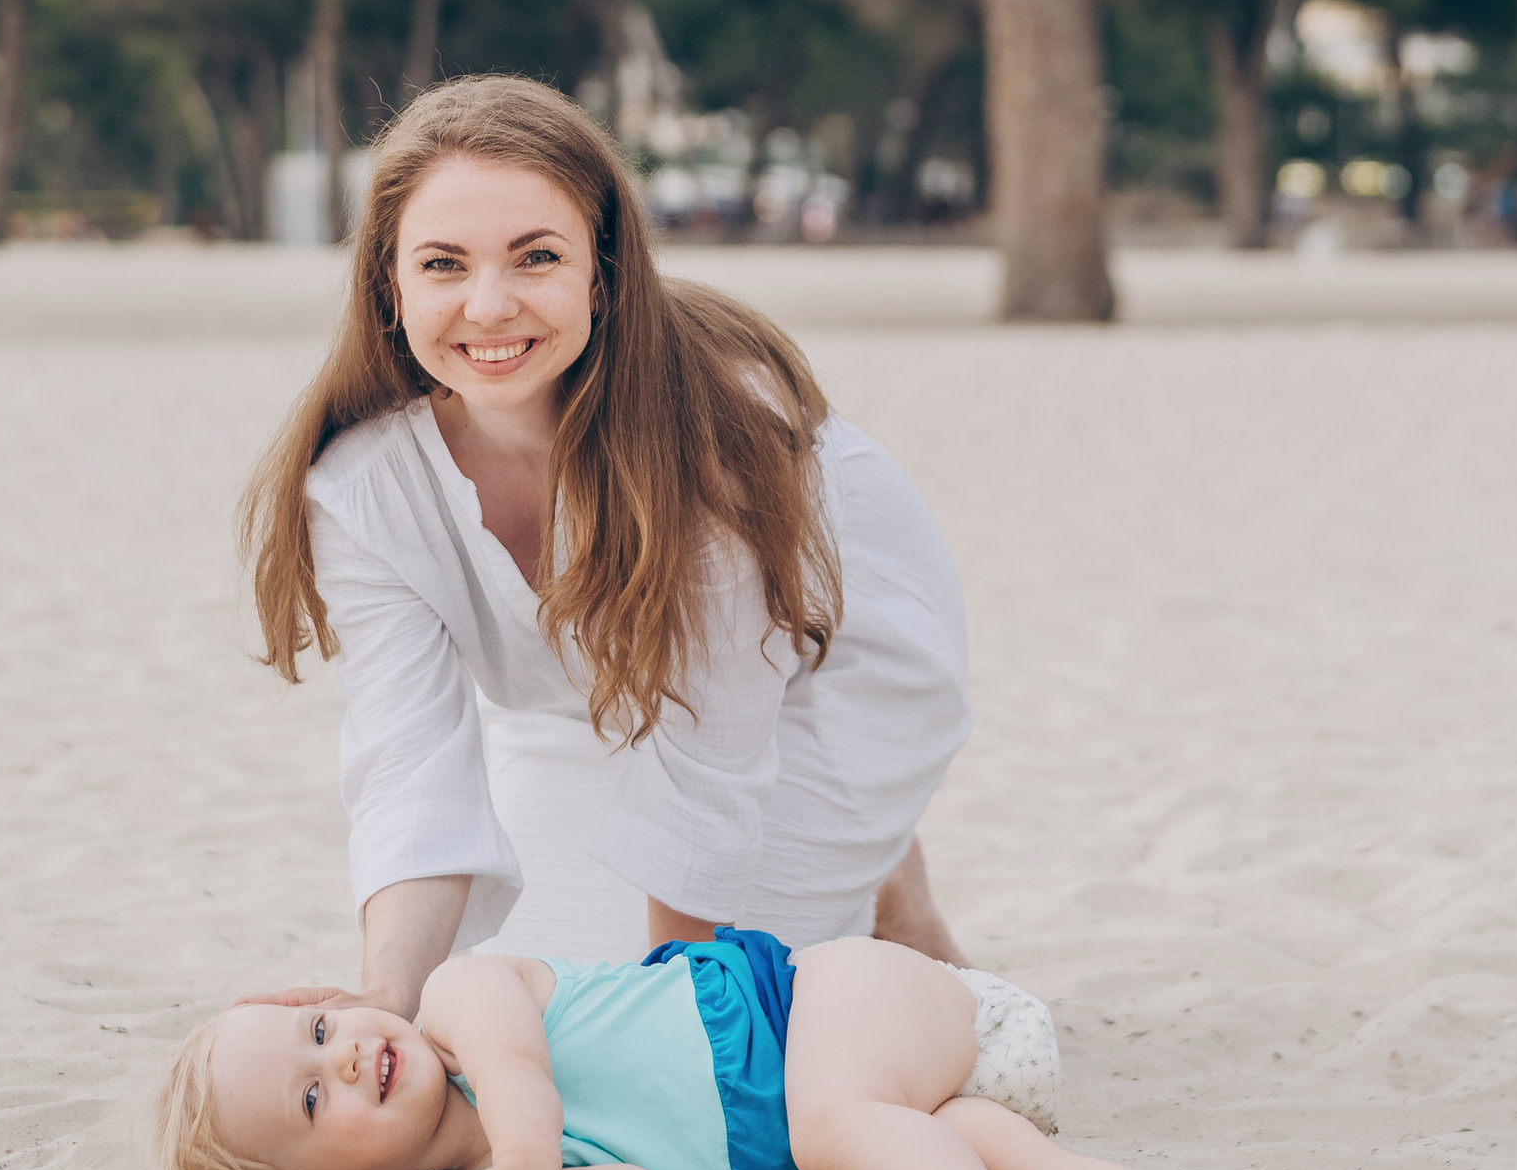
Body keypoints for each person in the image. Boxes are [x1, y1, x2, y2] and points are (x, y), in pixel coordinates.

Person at [240, 78, 974, 1016]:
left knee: (680, 1014)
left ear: (604, 270)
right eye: (443, 264)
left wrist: (674, 1019)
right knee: (511, 996)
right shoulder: (359, 491)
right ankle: (881, 873)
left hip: (842, 654)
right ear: (389, 284)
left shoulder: (710, 436)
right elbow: (410, 769)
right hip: (594, 695)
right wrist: (387, 996)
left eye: (536, 256)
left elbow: (711, 753)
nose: (491, 305)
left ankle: (880, 863)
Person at [137, 935, 1306, 1170]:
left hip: (828, 1002)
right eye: (310, 1100)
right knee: (1009, 1164)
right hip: (902, 1100)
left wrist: (526, 1161)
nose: (341, 1056)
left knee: (836, 1131)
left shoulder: (456, 1001)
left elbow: (519, 1076)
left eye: (317, 1029)